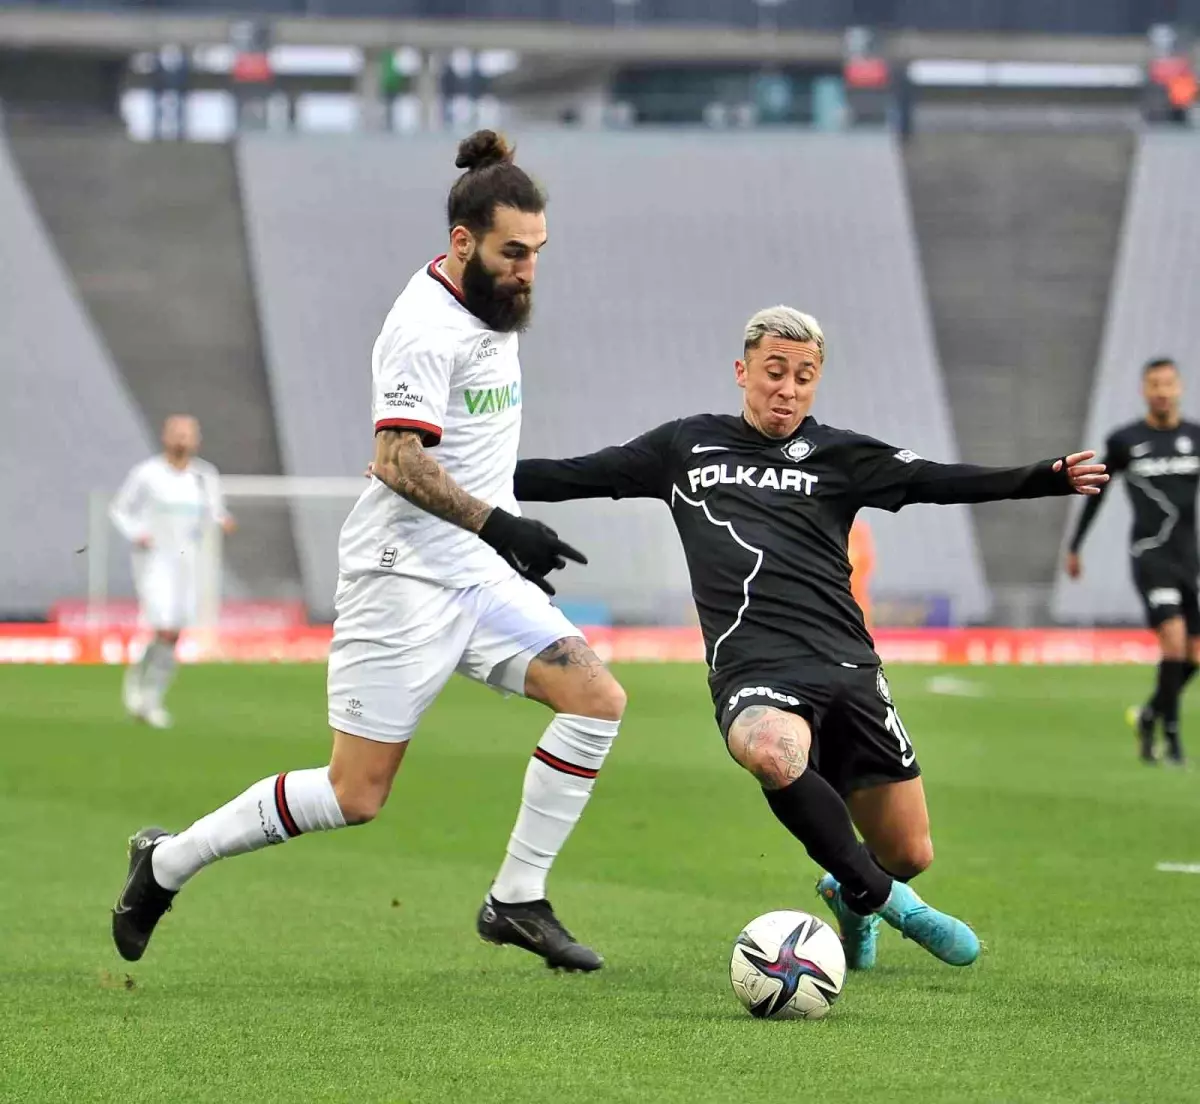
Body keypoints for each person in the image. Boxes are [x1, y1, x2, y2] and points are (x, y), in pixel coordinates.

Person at [112, 130, 626, 973]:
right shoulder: (423, 327)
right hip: (405, 575)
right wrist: (501, 524)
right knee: (355, 795)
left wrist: (499, 158)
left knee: (596, 698)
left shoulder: (491, 296)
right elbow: (396, 459)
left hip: (478, 573)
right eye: (513, 253)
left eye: (537, 251)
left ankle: (516, 899)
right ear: (461, 244)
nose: (529, 270)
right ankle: (165, 863)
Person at [512, 306, 1106, 971]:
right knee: (771, 750)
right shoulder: (685, 446)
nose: (787, 389)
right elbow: (572, 474)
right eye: (774, 373)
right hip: (754, 667)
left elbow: (939, 481)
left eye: (803, 377)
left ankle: (854, 893)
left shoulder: (840, 455)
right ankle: (892, 904)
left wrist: (1043, 477)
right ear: (743, 373)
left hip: (849, 667)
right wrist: (459, 477)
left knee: (911, 852)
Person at [1066, 357, 1200, 765]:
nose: (1162, 390)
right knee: (1173, 638)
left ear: (1179, 388)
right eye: (1154, 384)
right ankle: (1172, 739)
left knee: (1194, 655)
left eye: (1168, 384)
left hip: (1188, 557)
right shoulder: (1126, 440)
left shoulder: (1195, 437)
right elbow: (1099, 492)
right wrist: (1076, 545)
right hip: (1149, 553)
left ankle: (1149, 715)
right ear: (1145, 390)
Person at [109, 415, 235, 729]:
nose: (182, 439)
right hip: (154, 561)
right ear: (165, 437)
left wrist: (223, 520)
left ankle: (151, 698)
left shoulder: (205, 476)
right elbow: (119, 509)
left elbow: (216, 510)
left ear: (197, 440)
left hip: (188, 562)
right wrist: (137, 531)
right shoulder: (147, 473)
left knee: (174, 633)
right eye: (177, 433)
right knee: (162, 626)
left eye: (188, 434)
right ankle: (140, 689)